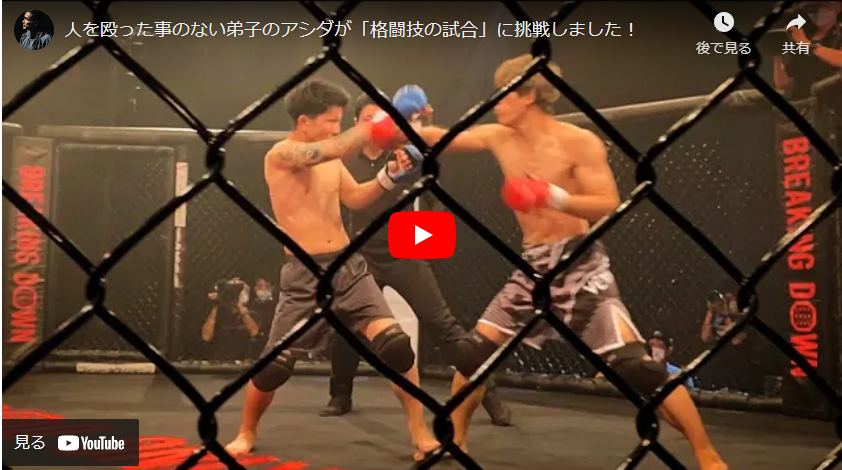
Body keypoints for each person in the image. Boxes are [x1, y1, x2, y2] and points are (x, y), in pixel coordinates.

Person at [394, 55, 728, 470]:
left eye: (503, 94)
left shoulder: (578, 142)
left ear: (528, 95)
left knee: (638, 369)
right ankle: (456, 440)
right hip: (532, 268)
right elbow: (445, 138)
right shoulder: (500, 136)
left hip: (579, 266)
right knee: (473, 355)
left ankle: (706, 454)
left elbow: (608, 203)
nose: (495, 103)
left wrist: (552, 196)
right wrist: (407, 125)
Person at [224, 79, 439, 461]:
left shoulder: (332, 159)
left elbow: (354, 198)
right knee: (274, 368)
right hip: (303, 275)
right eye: (331, 121)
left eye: (340, 122)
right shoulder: (282, 154)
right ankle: (247, 430)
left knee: (396, 346)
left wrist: (389, 176)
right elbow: (335, 147)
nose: (337, 129)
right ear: (304, 121)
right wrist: (374, 125)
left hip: (348, 267)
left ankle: (420, 431)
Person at [321, 93, 512, 426]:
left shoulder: (405, 151)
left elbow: (431, 158)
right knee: (347, 326)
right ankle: (340, 395)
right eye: (369, 120)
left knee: (441, 323)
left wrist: (419, 128)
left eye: (382, 119)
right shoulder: (344, 159)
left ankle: (488, 392)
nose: (376, 126)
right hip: (361, 251)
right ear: (356, 124)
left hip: (404, 243)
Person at [773, 1, 842, 100]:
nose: (822, 8)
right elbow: (782, 84)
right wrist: (777, 54)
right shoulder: (799, 35)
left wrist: (808, 45)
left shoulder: (838, 33)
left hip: (828, 102)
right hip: (800, 101)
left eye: (828, 4)